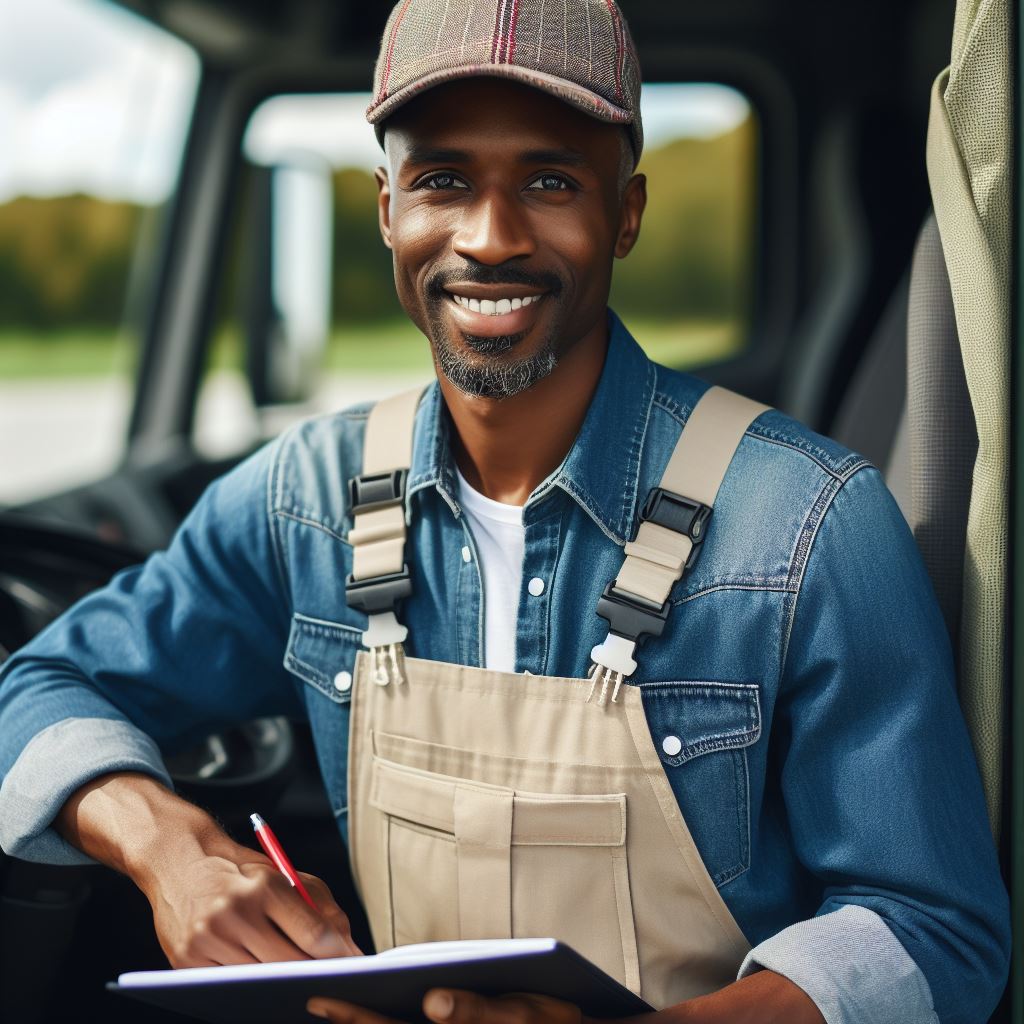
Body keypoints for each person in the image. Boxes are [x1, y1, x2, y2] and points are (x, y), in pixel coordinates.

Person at [0, 1, 1010, 1022]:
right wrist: (174, 852)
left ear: (626, 210)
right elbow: (40, 683)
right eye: (442, 180)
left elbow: (932, 930)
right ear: (388, 208)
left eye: (549, 180)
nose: (490, 237)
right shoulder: (303, 498)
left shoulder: (811, 523)